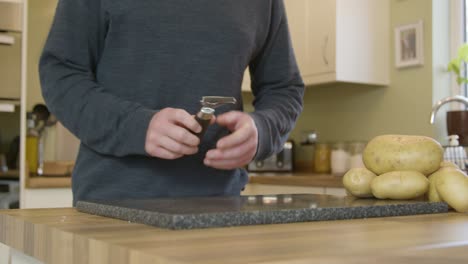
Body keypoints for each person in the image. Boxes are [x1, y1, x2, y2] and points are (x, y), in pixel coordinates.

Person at [39, 0, 304, 204]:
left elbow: (283, 88)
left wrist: (262, 130)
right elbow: (61, 75)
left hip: (220, 210)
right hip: (111, 208)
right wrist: (136, 127)